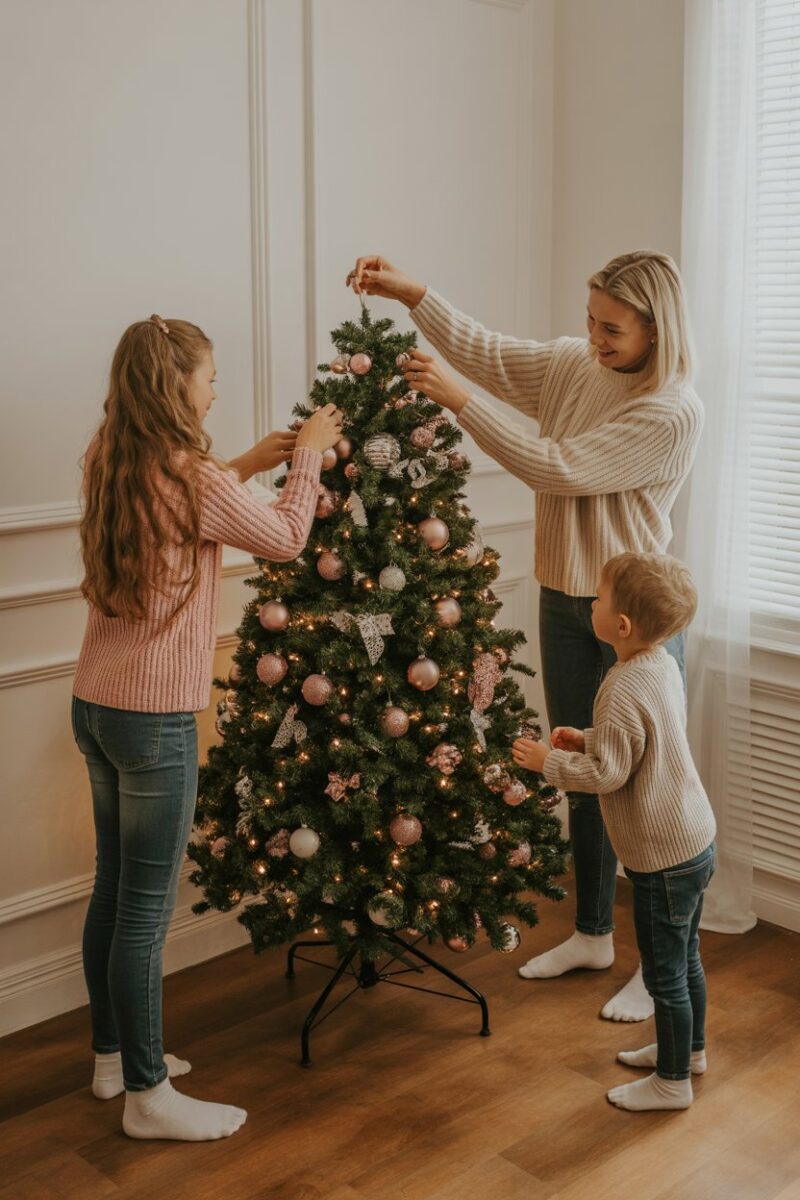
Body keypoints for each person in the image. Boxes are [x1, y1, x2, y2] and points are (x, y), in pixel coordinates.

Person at [347, 251, 702, 1022]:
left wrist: (460, 403)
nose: (595, 338)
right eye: (591, 320)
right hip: (568, 598)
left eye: (612, 329)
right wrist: (415, 296)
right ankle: (593, 934)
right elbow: (492, 353)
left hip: (635, 617)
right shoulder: (577, 365)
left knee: (646, 793)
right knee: (578, 767)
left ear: (656, 330)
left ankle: (660, 969)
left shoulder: (672, 410)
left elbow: (558, 467)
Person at [72, 314, 342, 1140]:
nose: (215, 390)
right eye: (210, 377)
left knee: (113, 891)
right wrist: (306, 455)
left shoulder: (111, 455)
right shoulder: (190, 474)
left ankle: (114, 1059)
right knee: (144, 913)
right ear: (177, 384)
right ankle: (148, 1096)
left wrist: (247, 464)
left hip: (96, 703)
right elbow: (287, 537)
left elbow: (182, 506)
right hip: (153, 720)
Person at [512, 552, 716, 1111]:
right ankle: (690, 1052)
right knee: (687, 958)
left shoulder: (620, 685)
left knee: (665, 976)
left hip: (662, 858)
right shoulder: (659, 665)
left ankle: (672, 1083)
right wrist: (587, 737)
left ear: (620, 625)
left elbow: (608, 775)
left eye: (598, 599)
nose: (592, 605)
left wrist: (549, 762)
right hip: (694, 840)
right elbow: (640, 739)